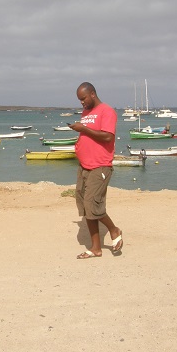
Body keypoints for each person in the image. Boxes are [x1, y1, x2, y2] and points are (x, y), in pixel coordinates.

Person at [68, 82, 123, 259]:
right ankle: (96, 248)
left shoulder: (107, 111)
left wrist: (83, 128)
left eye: (83, 98)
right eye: (79, 100)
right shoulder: (86, 113)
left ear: (92, 94)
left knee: (93, 204)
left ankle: (114, 230)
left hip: (100, 165)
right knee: (85, 206)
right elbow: (89, 135)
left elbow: (108, 136)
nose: (81, 103)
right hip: (84, 165)